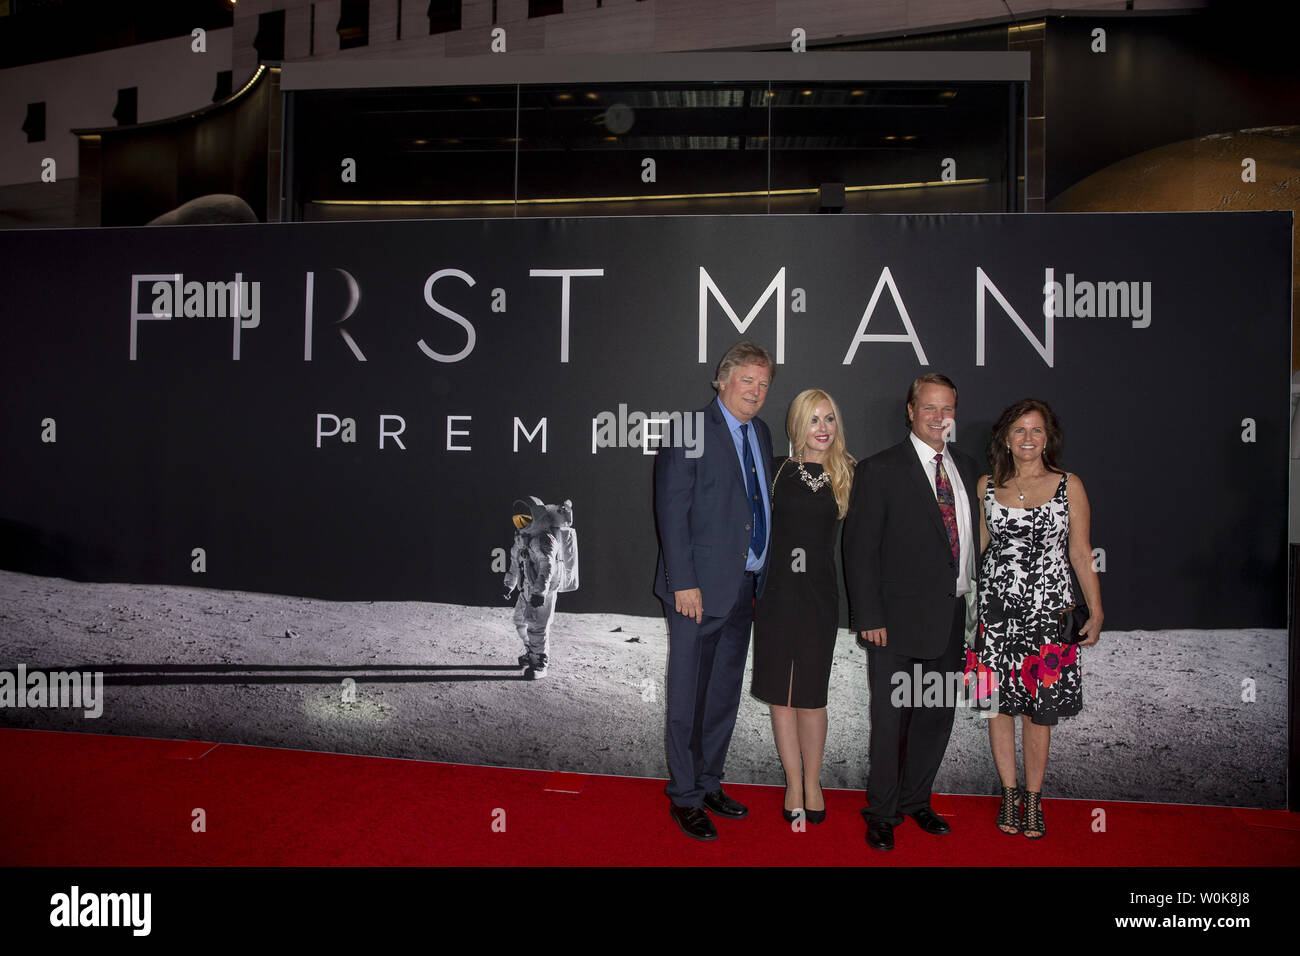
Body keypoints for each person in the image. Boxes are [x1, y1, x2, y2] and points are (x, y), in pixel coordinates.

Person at [843, 373, 978, 851]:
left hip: (950, 618)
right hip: (894, 625)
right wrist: (869, 617)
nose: (939, 418)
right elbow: (859, 551)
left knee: (935, 716)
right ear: (910, 410)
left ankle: (916, 801)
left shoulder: (966, 466)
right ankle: (881, 812)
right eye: (929, 408)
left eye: (947, 409)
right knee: (891, 721)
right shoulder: (880, 469)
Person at [654, 341, 775, 841]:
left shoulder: (762, 433)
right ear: (722, 381)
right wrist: (683, 582)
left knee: (723, 694)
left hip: (744, 588)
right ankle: (683, 797)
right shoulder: (690, 429)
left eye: (765, 384)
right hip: (696, 592)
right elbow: (671, 511)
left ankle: (708, 783)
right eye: (748, 380)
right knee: (688, 696)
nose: (757, 391)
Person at [972, 398, 1102, 839]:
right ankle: (1008, 795)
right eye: (1019, 431)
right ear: (1006, 439)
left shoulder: (1070, 485)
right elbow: (980, 550)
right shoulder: (986, 485)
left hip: (1048, 613)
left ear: (1048, 438)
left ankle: (1033, 798)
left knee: (1038, 710)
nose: (1027, 439)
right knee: (996, 705)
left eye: (1036, 431)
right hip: (995, 611)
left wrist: (1096, 610)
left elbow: (1081, 554)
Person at [752, 389, 854, 825]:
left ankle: (814, 781)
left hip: (819, 600)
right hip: (776, 597)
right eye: (813, 420)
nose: (823, 429)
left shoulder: (849, 473)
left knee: (811, 697)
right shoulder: (774, 472)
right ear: (797, 426)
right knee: (781, 695)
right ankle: (792, 781)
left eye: (829, 419)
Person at [503, 496, 578, 679]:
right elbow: (515, 562)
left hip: (543, 591)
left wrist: (540, 592)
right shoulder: (523, 538)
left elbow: (548, 568)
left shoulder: (544, 540)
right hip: (528, 587)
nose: (520, 523)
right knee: (520, 621)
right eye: (517, 520)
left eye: (525, 519)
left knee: (537, 626)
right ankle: (532, 653)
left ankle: (539, 664)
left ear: (536, 517)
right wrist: (509, 584)